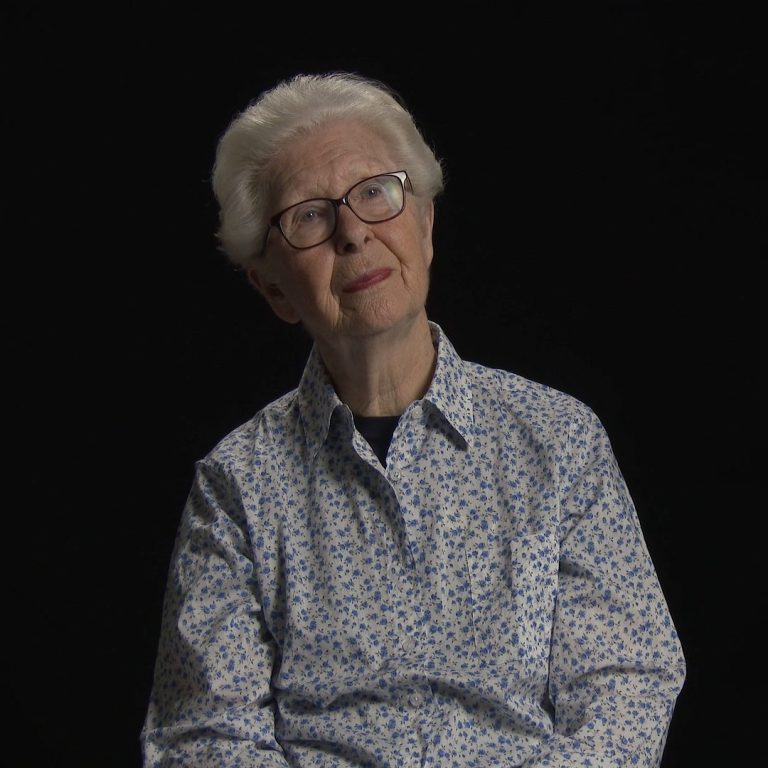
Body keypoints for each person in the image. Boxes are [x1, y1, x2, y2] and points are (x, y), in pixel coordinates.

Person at [141, 71, 686, 767]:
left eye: (375, 193)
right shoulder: (235, 486)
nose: (353, 234)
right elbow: (206, 737)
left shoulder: (559, 440)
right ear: (272, 286)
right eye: (309, 216)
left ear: (424, 224)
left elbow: (625, 686)